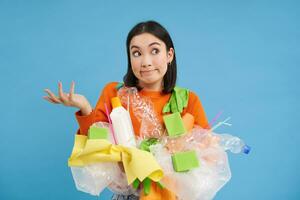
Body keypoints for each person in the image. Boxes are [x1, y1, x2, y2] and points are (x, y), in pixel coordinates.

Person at [43, 20, 209, 200]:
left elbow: (207, 154)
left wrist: (170, 157)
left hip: (173, 195)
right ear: (130, 58)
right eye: (137, 53)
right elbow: (96, 144)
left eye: (155, 51)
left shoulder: (188, 100)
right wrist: (84, 107)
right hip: (129, 195)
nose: (145, 62)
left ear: (169, 55)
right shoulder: (115, 95)